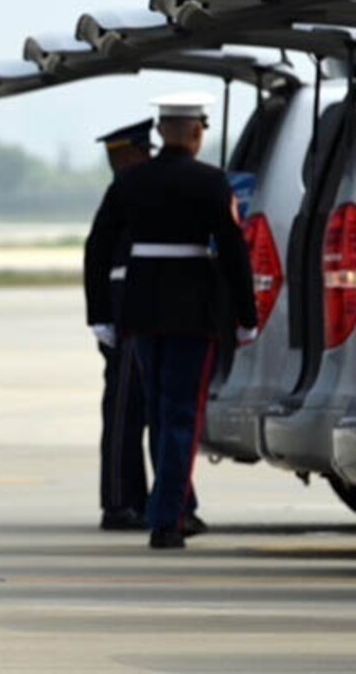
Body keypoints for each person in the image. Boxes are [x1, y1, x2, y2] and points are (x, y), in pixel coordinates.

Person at [84, 93, 257, 550]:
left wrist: (99, 314)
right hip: (193, 313)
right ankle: (169, 518)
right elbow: (235, 253)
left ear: (161, 132)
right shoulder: (211, 182)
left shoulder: (130, 182)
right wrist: (245, 316)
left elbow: (97, 247)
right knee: (180, 416)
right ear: (198, 132)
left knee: (160, 408)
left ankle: (167, 509)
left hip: (140, 310)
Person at [88, 120, 152, 532]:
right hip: (128, 307)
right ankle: (118, 501)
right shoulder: (129, 190)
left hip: (129, 306)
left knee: (133, 409)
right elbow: (97, 253)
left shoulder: (135, 188)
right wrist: (100, 317)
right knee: (125, 409)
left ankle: (134, 497)